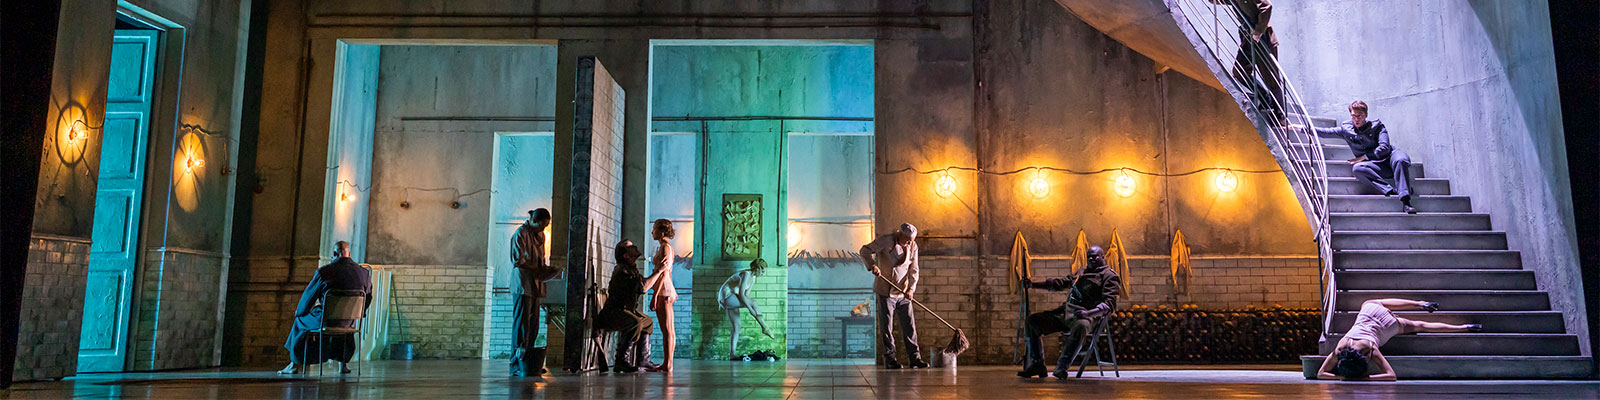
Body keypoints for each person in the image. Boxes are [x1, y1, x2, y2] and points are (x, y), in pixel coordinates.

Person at [1293, 101, 1418, 213]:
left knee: (1401, 160)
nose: (1356, 119)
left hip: (1390, 157)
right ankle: (1391, 191)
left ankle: (1406, 202)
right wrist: (1300, 128)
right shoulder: (1346, 130)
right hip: (1377, 166)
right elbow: (1324, 132)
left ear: (1366, 115)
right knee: (1358, 169)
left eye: (1360, 116)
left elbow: (1384, 147)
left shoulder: (1378, 126)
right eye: (1353, 116)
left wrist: (1364, 157)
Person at [1017, 246, 1120, 379]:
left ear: (1103, 257)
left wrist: (1088, 314)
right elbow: (1061, 283)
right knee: (1033, 321)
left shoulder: (1109, 276)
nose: (1092, 259)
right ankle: (1037, 365)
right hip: (1066, 312)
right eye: (1089, 257)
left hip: (1087, 316)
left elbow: (1109, 304)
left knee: (1081, 326)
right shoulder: (1082, 271)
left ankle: (1061, 367)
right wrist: (1033, 285)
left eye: (1095, 256)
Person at [1315, 299, 1482, 380]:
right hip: (1369, 312)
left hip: (1387, 325)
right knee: (1373, 302)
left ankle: (1463, 327)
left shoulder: (1371, 350)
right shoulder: (1341, 348)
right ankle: (1420, 304)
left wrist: (1360, 378)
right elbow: (1321, 374)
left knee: (1420, 326)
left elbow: (1391, 376)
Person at [280, 241, 372, 375]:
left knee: (300, 321)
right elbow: (367, 298)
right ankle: (342, 365)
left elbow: (308, 297)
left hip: (326, 320)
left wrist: (300, 312)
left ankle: (293, 364)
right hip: (349, 322)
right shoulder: (364, 273)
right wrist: (358, 313)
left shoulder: (324, 272)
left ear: (334, 253)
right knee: (344, 327)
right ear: (349, 253)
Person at [859, 223, 926, 369]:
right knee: (887, 327)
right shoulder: (885, 240)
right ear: (899, 234)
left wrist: (911, 289)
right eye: (907, 240)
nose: (909, 243)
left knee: (909, 326)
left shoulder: (913, 246)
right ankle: (890, 359)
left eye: (912, 240)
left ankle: (915, 359)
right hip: (885, 291)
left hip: (903, 292)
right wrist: (872, 265)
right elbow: (864, 250)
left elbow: (914, 269)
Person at [1211, 0, 1282, 120]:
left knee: (1271, 78)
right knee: (1239, 71)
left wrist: (1258, 32)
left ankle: (1280, 116)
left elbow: (1267, 7)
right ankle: (1265, 98)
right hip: (1248, 40)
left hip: (1263, 39)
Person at [510, 208, 560, 376]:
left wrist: (547, 269)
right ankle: (516, 363)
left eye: (545, 226)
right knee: (521, 325)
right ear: (534, 221)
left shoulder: (541, 235)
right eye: (541, 225)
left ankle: (529, 362)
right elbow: (518, 260)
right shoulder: (520, 234)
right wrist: (539, 269)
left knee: (533, 325)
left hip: (535, 285)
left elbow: (540, 260)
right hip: (523, 284)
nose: (543, 229)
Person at [595, 240, 655, 373]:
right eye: (630, 246)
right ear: (626, 255)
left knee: (647, 322)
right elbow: (643, 288)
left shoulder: (632, 268)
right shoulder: (622, 270)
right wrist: (659, 271)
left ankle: (643, 359)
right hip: (613, 313)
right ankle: (621, 360)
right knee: (635, 323)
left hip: (625, 311)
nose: (634, 247)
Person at [718, 258, 776, 360]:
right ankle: (765, 328)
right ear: (757, 269)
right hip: (726, 296)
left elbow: (746, 295)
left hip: (734, 297)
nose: (763, 274)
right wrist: (750, 309)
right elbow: (741, 294)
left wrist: (751, 309)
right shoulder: (746, 274)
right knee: (754, 303)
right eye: (762, 271)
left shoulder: (753, 278)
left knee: (736, 327)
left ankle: (732, 354)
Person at [641, 219, 680, 373]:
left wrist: (654, 296)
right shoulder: (664, 247)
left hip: (664, 291)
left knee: (667, 330)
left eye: (655, 229)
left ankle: (667, 364)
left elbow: (663, 274)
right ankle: (667, 363)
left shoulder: (665, 247)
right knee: (668, 329)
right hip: (665, 290)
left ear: (662, 232)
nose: (652, 232)